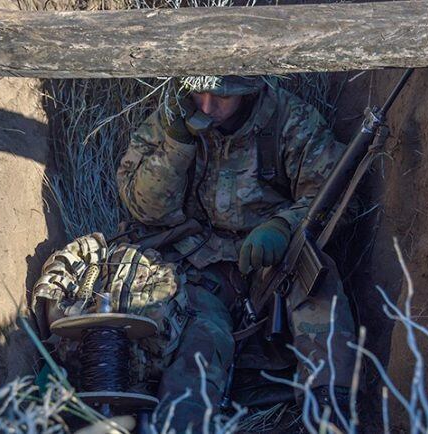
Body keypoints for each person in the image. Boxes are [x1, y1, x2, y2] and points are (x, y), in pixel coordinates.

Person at [116, 75, 356, 429]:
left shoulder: (291, 121)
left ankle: (329, 413)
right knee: (199, 340)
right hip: (201, 268)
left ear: (249, 91)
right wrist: (177, 144)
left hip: (275, 262)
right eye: (199, 93)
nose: (208, 107)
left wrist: (283, 226)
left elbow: (339, 199)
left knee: (318, 285)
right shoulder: (174, 120)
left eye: (221, 97)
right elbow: (146, 210)